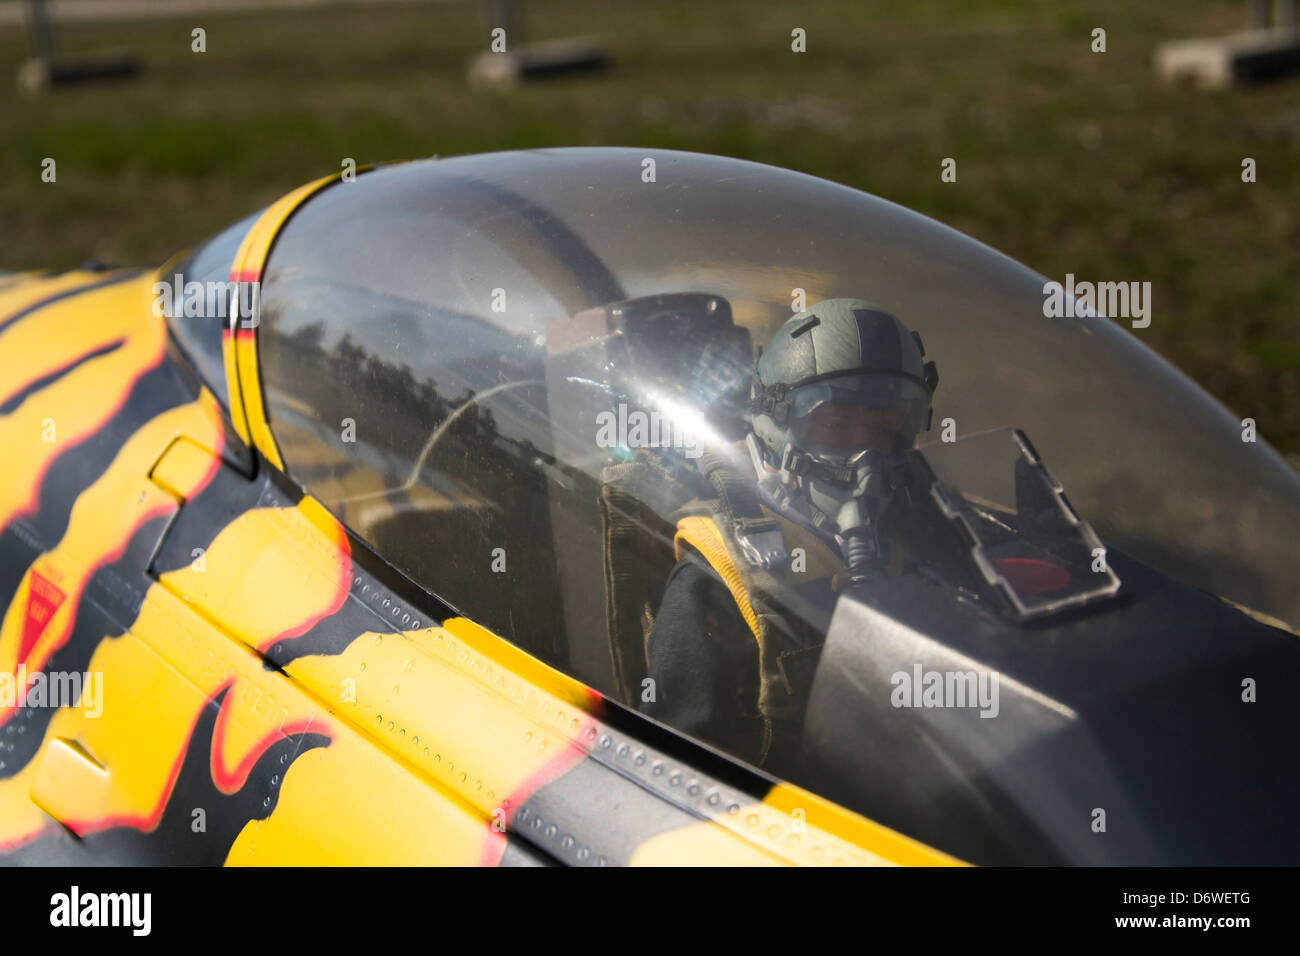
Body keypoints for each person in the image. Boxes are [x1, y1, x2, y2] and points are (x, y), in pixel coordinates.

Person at [638, 298, 939, 773]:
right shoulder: (714, 584)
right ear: (776, 423)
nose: (864, 456)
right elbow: (676, 778)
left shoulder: (931, 530)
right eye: (836, 425)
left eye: (883, 430)